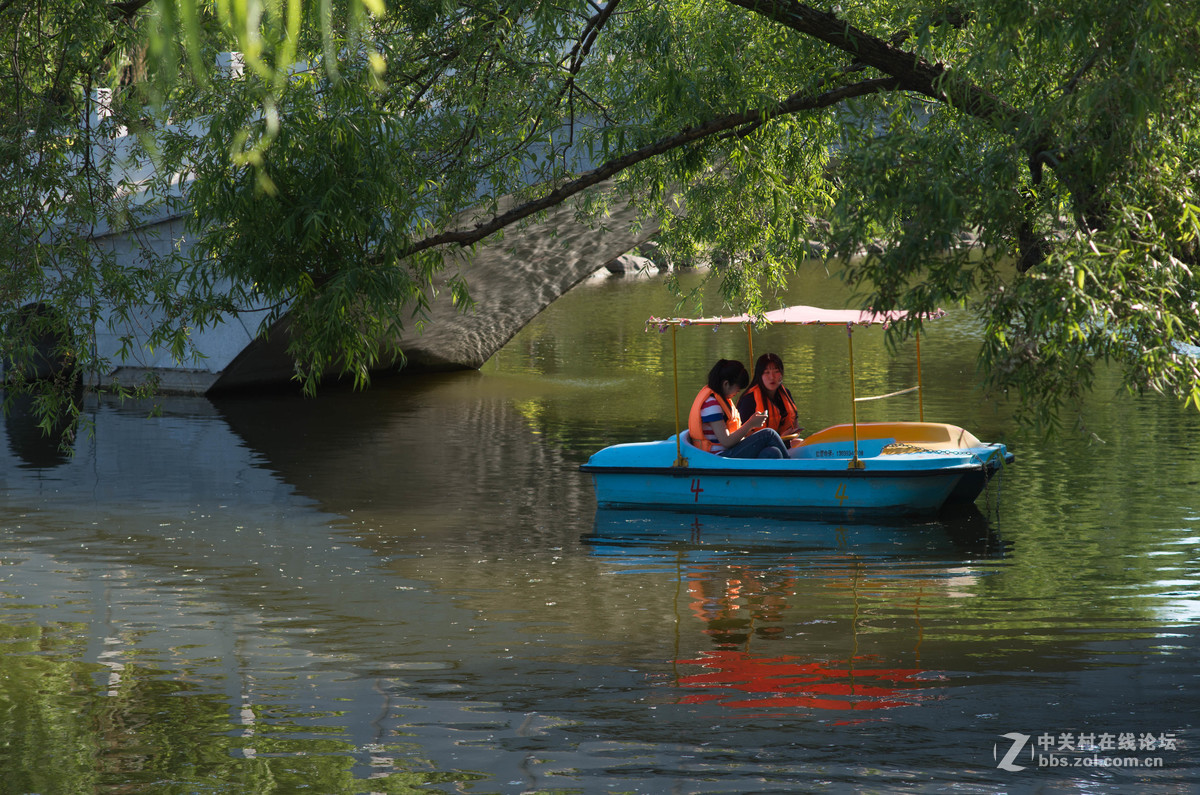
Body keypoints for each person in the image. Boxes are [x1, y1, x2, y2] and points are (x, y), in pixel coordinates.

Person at [687, 359, 790, 459]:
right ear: (726, 384)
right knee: (768, 434)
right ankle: (792, 467)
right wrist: (750, 424)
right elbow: (726, 442)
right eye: (738, 387)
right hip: (718, 457)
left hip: (729, 451)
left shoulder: (720, 401)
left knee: (772, 452)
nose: (738, 391)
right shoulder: (712, 404)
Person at [737, 352, 802, 443]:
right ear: (759, 376)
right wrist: (779, 438)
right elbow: (742, 436)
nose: (772, 377)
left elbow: (795, 425)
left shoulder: (785, 393)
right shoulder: (749, 399)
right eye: (766, 372)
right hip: (757, 447)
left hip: (784, 442)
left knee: (801, 443)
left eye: (776, 371)